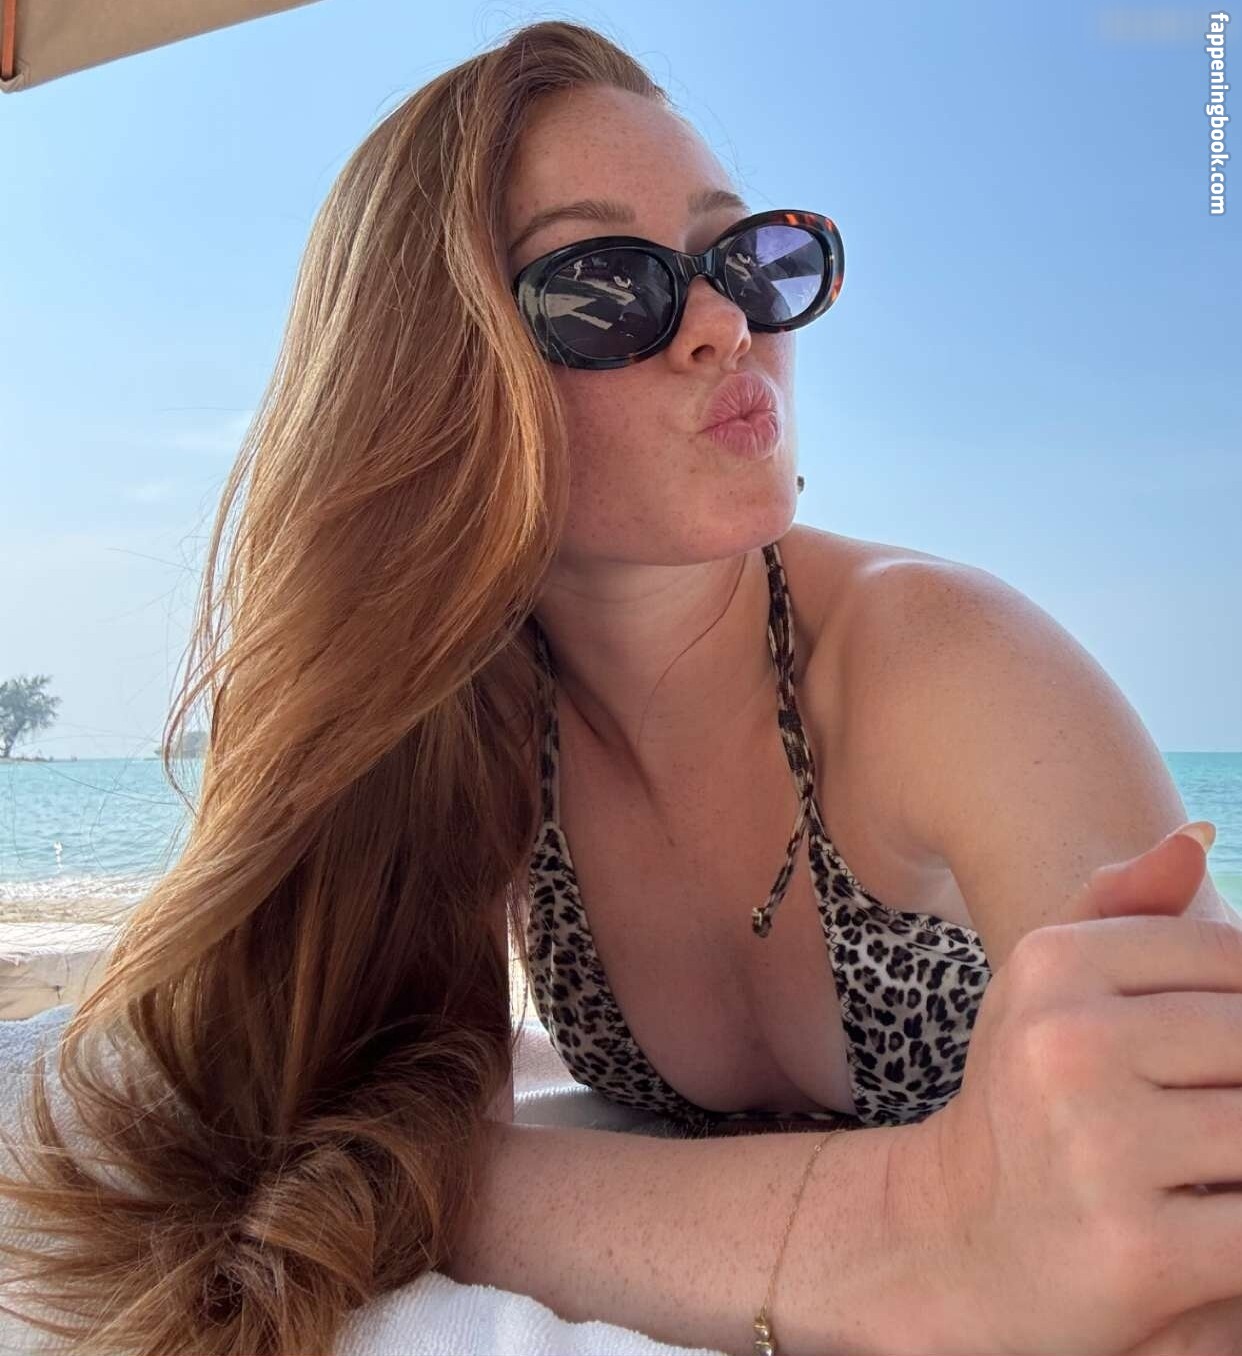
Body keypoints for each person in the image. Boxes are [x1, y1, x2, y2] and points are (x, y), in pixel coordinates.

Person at [2, 18, 1241, 1356]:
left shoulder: (945, 659)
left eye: (750, 259)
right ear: (430, 377)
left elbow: (1197, 1209)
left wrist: (921, 1228)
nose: (724, 325)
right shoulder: (461, 728)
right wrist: (924, 1217)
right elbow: (325, 1137)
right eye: (604, 287)